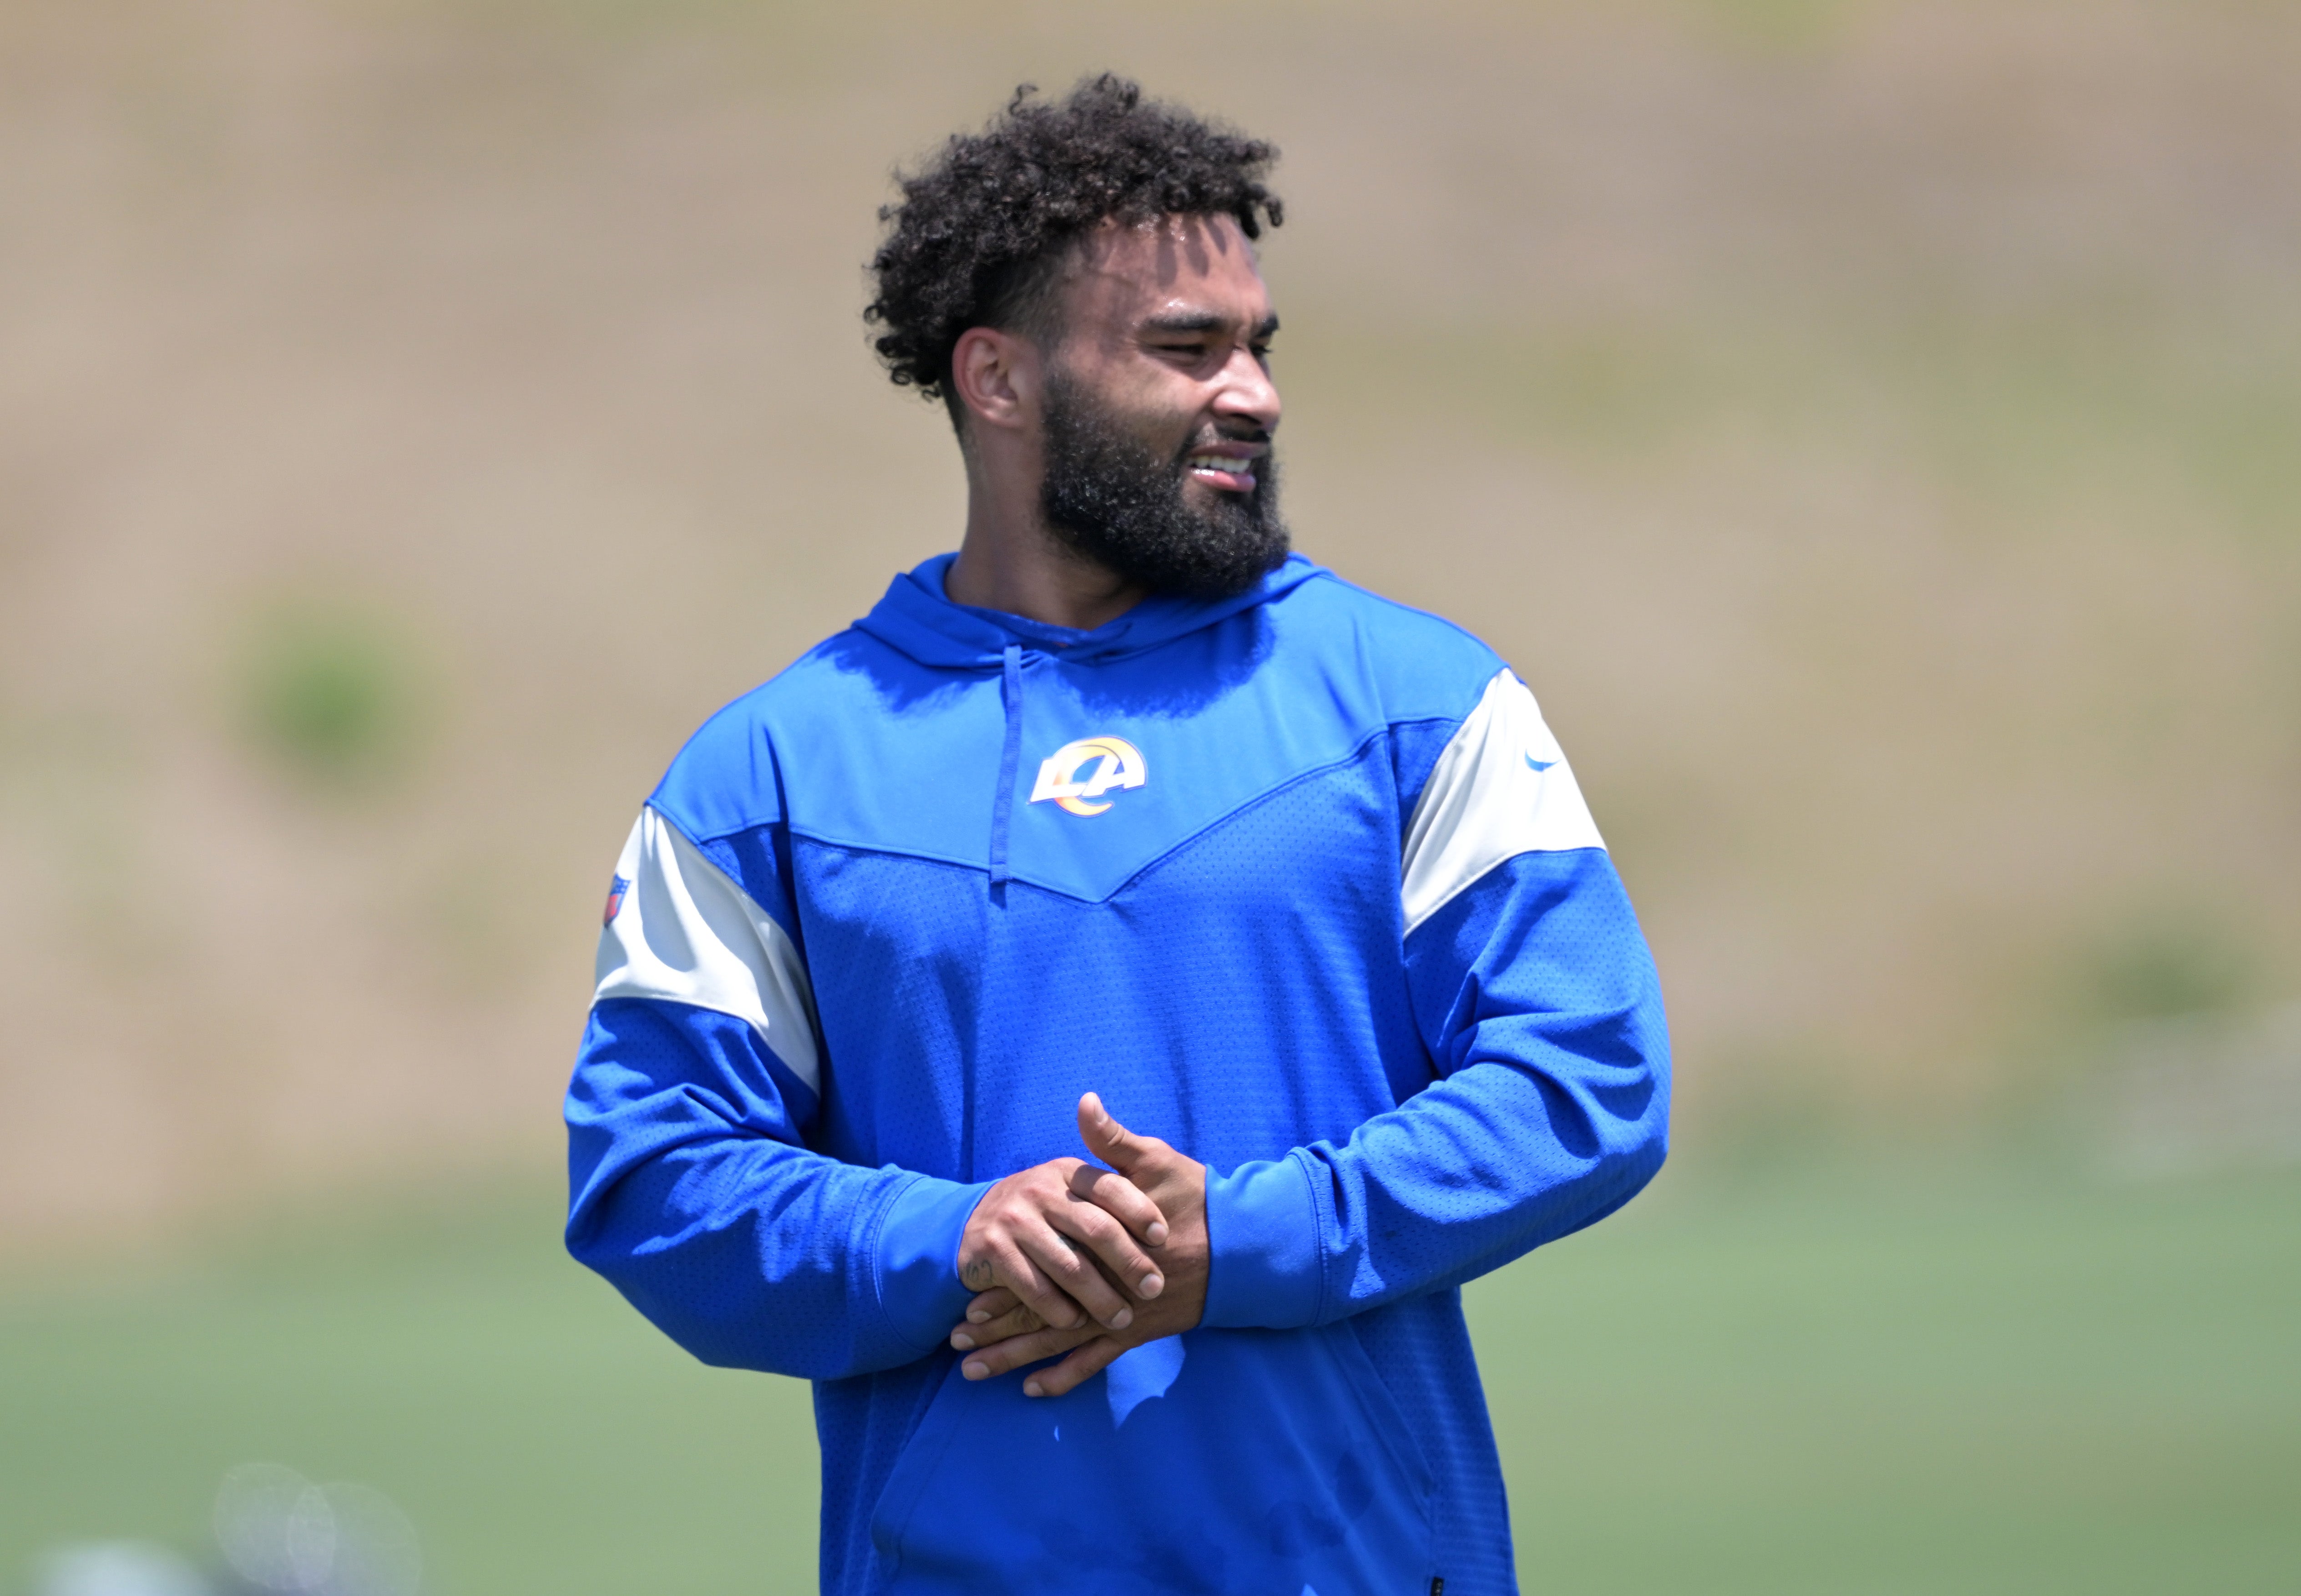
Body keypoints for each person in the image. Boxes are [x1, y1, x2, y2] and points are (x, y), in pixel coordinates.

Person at [564, 75, 1669, 1596]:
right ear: (999, 380)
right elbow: (651, 1179)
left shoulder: (1418, 700)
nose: (1254, 392)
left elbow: (1589, 1079)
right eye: (1185, 347)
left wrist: (1249, 1237)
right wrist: (949, 1239)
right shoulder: (771, 771)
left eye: (1259, 346)